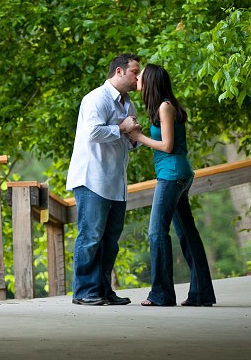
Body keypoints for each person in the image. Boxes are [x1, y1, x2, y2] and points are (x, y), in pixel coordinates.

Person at [128, 63, 216, 307]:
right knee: (188, 234)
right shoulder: (163, 107)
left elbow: (167, 145)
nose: (137, 81)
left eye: (141, 77)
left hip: (172, 176)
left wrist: (138, 137)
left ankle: (161, 294)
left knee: (157, 232)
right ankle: (201, 294)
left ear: (152, 81)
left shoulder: (165, 107)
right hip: (177, 174)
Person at [66, 53, 141, 306]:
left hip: (115, 182)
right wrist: (122, 128)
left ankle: (103, 291)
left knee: (110, 240)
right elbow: (93, 132)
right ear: (119, 72)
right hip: (92, 179)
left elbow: (128, 142)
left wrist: (132, 138)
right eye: (134, 72)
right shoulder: (95, 98)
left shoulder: (128, 104)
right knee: (90, 237)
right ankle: (84, 292)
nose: (137, 78)